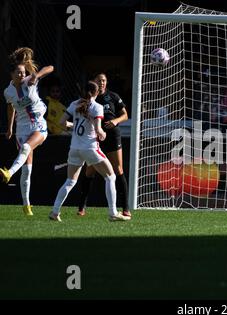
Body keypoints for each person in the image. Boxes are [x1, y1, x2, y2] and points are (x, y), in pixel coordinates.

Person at [48, 81, 130, 222]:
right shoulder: (97, 107)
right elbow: (98, 131)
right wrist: (102, 134)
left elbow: (61, 123)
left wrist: (74, 125)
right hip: (90, 148)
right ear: (96, 93)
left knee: (70, 181)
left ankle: (55, 212)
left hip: (74, 148)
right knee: (111, 176)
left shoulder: (74, 104)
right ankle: (113, 213)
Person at [1, 47, 54, 216]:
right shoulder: (8, 92)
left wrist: (36, 76)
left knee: (25, 148)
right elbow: (11, 109)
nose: (22, 75)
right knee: (27, 169)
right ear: (12, 74)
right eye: (18, 72)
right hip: (22, 128)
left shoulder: (31, 80)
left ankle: (9, 172)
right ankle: (26, 206)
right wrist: (9, 127)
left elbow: (50, 67)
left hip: (39, 125)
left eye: (24, 72)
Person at [76, 73, 131, 217]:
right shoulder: (89, 99)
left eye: (104, 81)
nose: (101, 83)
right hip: (95, 138)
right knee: (89, 172)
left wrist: (116, 121)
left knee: (118, 170)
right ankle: (81, 208)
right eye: (99, 81)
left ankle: (125, 208)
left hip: (112, 136)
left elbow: (125, 115)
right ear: (94, 82)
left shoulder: (112, 96)